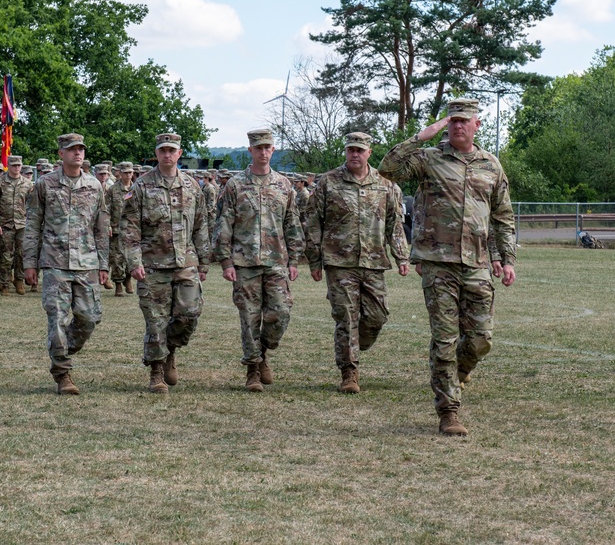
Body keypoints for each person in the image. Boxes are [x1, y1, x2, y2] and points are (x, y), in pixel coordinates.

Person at [378, 98, 516, 437]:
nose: (457, 126)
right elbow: (387, 169)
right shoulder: (429, 159)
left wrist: (506, 258)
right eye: (452, 120)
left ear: (476, 125)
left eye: (463, 121)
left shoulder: (491, 165)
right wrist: (421, 137)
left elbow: (502, 216)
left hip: (477, 262)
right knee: (443, 339)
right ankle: (448, 411)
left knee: (481, 339)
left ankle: (460, 372)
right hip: (437, 263)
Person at [305, 132, 410, 394]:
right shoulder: (328, 182)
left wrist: (401, 256)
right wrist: (314, 260)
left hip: (374, 261)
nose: (355, 154)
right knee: (346, 317)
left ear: (369, 153)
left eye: (360, 150)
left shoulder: (386, 184)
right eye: (351, 149)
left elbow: (395, 224)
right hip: (339, 262)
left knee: (377, 316)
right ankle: (349, 372)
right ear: (346, 151)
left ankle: (357, 342)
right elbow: (313, 222)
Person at [212, 128, 304, 392]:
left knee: (281, 312)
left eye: (268, 147)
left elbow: (292, 223)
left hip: (276, 261)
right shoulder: (236, 185)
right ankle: (253, 369)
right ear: (250, 151)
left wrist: (295, 259)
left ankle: (263, 350)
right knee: (250, 317)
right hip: (245, 262)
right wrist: (226, 261)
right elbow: (224, 224)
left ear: (273, 150)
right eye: (258, 148)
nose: (263, 152)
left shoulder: (284, 185)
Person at [122, 133, 209, 393]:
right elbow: (129, 229)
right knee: (156, 321)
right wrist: (134, 262)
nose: (167, 155)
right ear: (156, 154)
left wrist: (204, 262)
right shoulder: (141, 187)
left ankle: (170, 349)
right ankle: (157, 371)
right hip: (152, 266)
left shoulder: (193, 187)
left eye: (172, 150)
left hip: (186, 263)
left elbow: (202, 225)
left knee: (189, 315)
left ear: (179, 154)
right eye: (163, 151)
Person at [23, 133, 109, 395]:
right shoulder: (44, 185)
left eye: (81, 149)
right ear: (61, 154)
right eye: (72, 149)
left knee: (90, 317)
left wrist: (103, 264)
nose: (77, 153)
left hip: (86, 262)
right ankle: (63, 373)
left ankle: (59, 348)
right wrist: (30, 262)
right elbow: (32, 225)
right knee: (57, 319)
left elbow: (102, 228)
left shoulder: (95, 186)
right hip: (54, 262)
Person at [0, 155, 34, 296]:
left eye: (18, 166)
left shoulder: (28, 184)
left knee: (22, 254)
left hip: (22, 224)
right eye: (13, 165)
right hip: (5, 224)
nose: (16, 168)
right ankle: (5, 284)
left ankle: (19, 280)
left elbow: (32, 206)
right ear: (8, 166)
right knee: (6, 256)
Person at [107, 161, 135, 297]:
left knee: (132, 258)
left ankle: (128, 280)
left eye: (130, 172)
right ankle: (118, 284)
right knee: (117, 259)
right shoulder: (113, 190)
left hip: (132, 229)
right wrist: (107, 225)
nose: (128, 175)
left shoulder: (135, 189)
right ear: (120, 173)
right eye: (125, 173)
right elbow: (106, 209)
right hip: (117, 229)